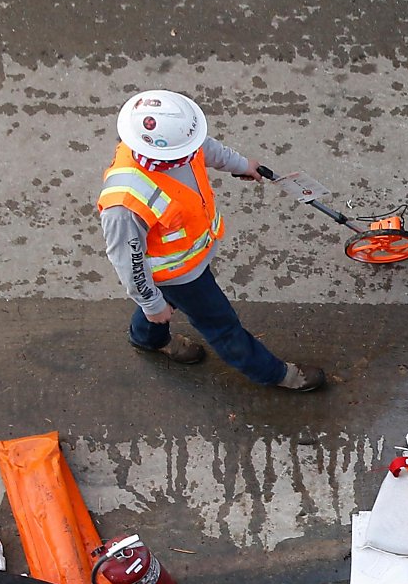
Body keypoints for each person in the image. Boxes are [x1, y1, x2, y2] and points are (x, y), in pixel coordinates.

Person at [97, 89, 328, 392]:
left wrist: (241, 164)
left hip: (188, 261)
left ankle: (147, 338)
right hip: (181, 276)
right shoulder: (124, 205)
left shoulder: (174, 145)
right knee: (221, 324)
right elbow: (128, 262)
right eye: (188, 149)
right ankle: (277, 374)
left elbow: (205, 148)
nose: (195, 152)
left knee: (164, 300)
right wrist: (150, 303)